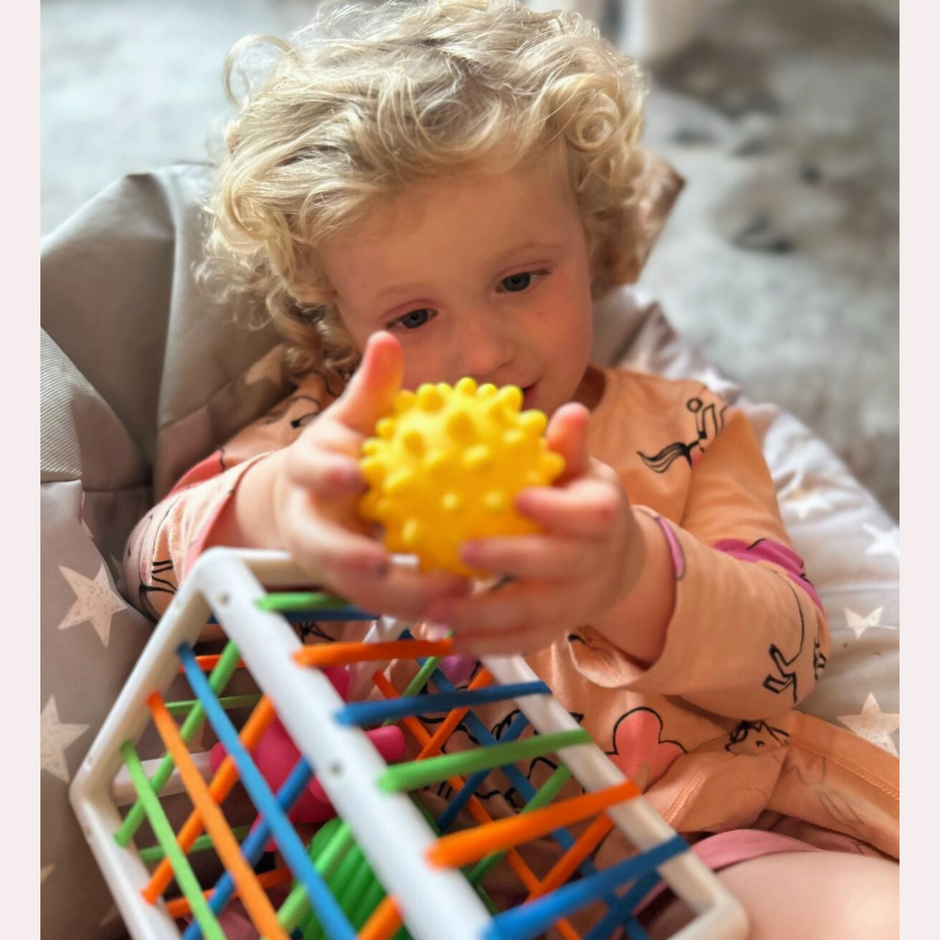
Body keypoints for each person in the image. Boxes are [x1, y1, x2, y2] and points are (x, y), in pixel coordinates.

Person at [125, 2, 898, 936]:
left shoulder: (688, 430)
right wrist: (278, 506)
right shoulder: (327, 442)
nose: (483, 352)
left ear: (594, 244)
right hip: (359, 862)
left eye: (520, 279)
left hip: (675, 857)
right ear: (340, 320)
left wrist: (630, 572)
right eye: (412, 317)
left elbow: (791, 655)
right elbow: (151, 566)